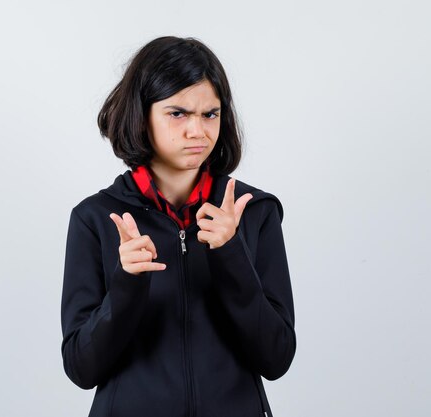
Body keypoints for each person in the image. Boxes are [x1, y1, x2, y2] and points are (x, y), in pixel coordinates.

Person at [61, 36, 296, 417]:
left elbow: (277, 358)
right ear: (142, 115)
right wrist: (128, 284)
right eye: (177, 113)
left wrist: (231, 254)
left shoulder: (253, 212)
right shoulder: (96, 218)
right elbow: (81, 368)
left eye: (210, 114)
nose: (197, 132)